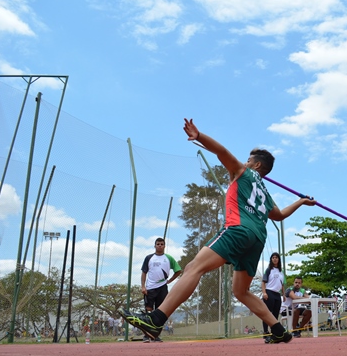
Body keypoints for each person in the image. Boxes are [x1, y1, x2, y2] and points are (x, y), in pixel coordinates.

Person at [119, 119, 316, 344]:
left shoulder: (242, 172)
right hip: (258, 239)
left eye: (249, 159)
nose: (245, 160)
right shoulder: (265, 192)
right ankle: (278, 329)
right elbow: (279, 215)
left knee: (194, 267)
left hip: (239, 230)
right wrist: (300, 202)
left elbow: (221, 151)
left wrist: (199, 135)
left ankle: (156, 319)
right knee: (241, 291)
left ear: (257, 165)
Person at [140, 237, 182, 342]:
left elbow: (178, 270)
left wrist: (170, 280)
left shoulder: (168, 258)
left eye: (162, 244)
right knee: (148, 311)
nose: (160, 245)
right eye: (158, 244)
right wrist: (143, 286)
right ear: (155, 246)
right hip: (150, 288)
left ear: (164, 246)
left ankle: (156, 335)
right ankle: (146, 335)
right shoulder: (149, 258)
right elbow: (144, 272)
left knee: (160, 312)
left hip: (162, 288)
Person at [261, 252, 285, 343]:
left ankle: (274, 333)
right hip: (269, 292)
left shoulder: (281, 272)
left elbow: (282, 284)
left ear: (279, 260)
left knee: (275, 314)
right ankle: (265, 332)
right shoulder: (268, 270)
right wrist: (264, 292)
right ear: (271, 259)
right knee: (267, 313)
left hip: (277, 294)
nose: (275, 259)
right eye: (273, 257)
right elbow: (263, 282)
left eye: (276, 257)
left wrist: (283, 294)